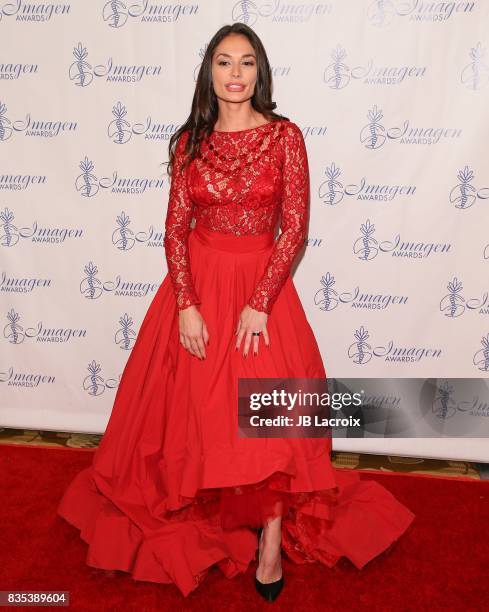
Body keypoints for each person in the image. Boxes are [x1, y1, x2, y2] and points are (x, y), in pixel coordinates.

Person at [57, 22, 415, 603]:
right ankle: (217, 503)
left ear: (260, 72)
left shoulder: (285, 138)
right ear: (209, 72)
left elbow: (294, 227)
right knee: (200, 415)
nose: (235, 74)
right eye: (224, 62)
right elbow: (174, 229)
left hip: (261, 289)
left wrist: (259, 302)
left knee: (269, 421)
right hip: (198, 283)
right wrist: (186, 303)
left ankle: (270, 544)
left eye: (246, 63)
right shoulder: (189, 142)